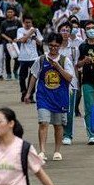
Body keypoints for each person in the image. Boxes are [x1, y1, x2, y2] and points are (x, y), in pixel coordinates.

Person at [25, 33, 74, 161]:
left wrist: (58, 67)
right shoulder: (41, 60)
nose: (53, 48)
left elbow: (69, 78)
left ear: (60, 46)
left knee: (58, 125)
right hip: (44, 97)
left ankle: (57, 151)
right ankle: (42, 151)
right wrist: (28, 93)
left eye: (56, 46)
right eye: (51, 45)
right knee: (43, 122)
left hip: (60, 98)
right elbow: (34, 76)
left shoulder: (65, 60)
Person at [57, 23, 80, 145]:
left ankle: (68, 135)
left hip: (71, 83)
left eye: (67, 30)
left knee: (69, 110)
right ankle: (60, 133)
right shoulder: (55, 48)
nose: (65, 33)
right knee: (59, 109)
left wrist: (77, 82)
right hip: (56, 83)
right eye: (63, 30)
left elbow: (76, 67)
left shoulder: (74, 49)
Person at [15, 15, 44, 103]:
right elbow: (22, 40)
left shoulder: (36, 30)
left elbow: (40, 44)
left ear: (32, 22)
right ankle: (23, 92)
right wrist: (30, 33)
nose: (28, 24)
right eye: (26, 22)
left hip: (34, 57)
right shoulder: (20, 30)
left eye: (29, 22)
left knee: (33, 77)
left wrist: (35, 38)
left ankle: (30, 95)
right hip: (23, 57)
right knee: (22, 77)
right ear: (23, 22)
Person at [1, 8, 22, 80]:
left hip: (16, 42)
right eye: (8, 12)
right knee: (8, 58)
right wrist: (8, 38)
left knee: (18, 58)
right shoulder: (3, 23)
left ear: (14, 13)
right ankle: (8, 74)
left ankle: (15, 71)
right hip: (7, 43)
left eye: (11, 12)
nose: (10, 13)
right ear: (6, 13)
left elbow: (21, 31)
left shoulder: (18, 22)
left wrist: (17, 38)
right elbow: (2, 33)